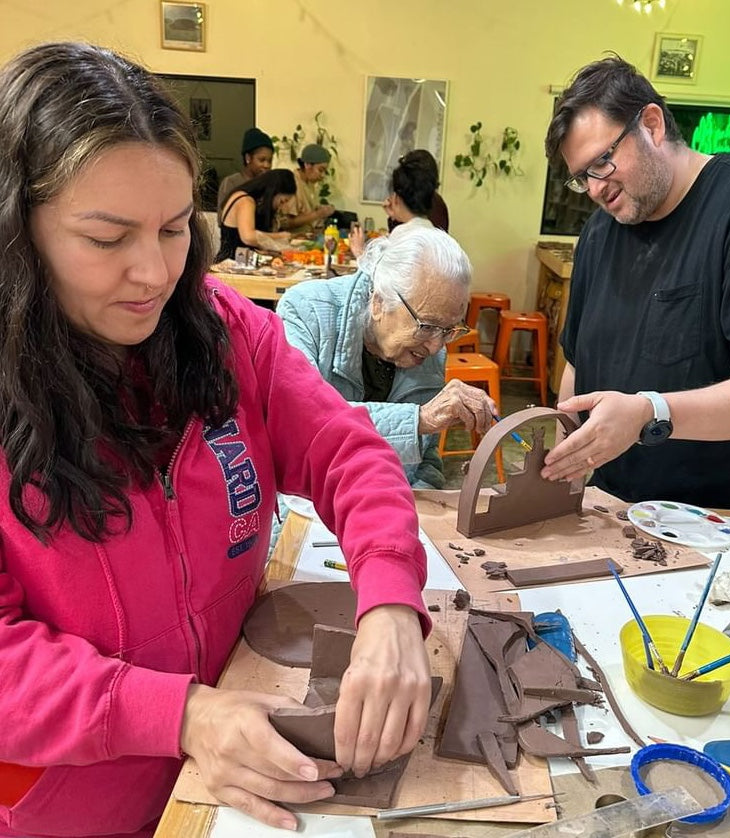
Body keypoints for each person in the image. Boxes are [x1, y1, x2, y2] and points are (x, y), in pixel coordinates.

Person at [0, 41, 433, 838]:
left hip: (229, 795)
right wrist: (181, 714)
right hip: (73, 810)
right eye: (106, 238)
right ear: (18, 232)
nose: (154, 273)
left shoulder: (227, 332)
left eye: (172, 229)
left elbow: (349, 455)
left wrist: (393, 605)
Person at [540, 56, 730, 511]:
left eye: (602, 161)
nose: (596, 188)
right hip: (619, 511)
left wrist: (651, 413)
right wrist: (567, 457)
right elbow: (579, 364)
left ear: (653, 125)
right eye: (583, 177)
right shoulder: (599, 235)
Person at [278, 225, 497, 490]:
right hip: (309, 503)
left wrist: (425, 508)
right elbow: (303, 422)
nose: (436, 346)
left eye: (449, 330)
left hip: (388, 506)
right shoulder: (307, 310)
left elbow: (427, 458)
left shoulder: (430, 344)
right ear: (379, 303)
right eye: (426, 326)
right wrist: (421, 419)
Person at [349, 150, 450, 258]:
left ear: (397, 197)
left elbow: (380, 274)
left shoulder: (403, 237)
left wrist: (359, 252)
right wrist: (395, 216)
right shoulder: (438, 238)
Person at [216, 168, 296, 261]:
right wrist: (279, 237)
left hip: (243, 261)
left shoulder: (253, 201)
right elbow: (248, 237)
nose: (281, 206)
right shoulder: (245, 201)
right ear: (272, 192)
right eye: (282, 201)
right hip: (231, 263)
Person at [216, 127, 274, 221]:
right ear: (248, 158)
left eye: (270, 161)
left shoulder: (269, 185)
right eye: (262, 160)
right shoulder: (231, 183)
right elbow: (222, 219)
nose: (267, 165)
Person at [279, 143, 335, 234]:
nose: (323, 175)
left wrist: (321, 210)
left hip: (308, 237)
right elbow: (286, 223)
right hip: (293, 241)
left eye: (325, 171)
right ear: (308, 165)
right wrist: (318, 214)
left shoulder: (309, 183)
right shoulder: (292, 182)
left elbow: (307, 211)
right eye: (320, 170)